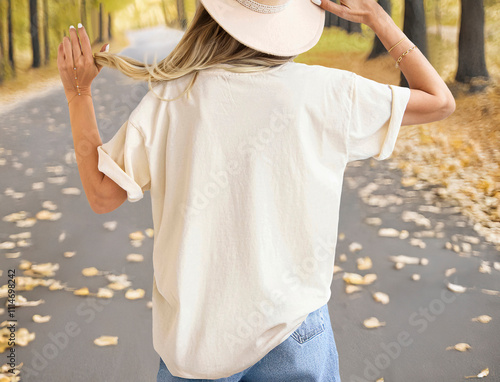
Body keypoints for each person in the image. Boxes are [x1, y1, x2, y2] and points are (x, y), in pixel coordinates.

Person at [57, 0, 455, 380]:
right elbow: (439, 101)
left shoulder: (170, 98)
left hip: (198, 344)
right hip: (296, 333)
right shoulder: (330, 93)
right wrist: (379, 20)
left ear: (210, 16)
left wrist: (79, 94)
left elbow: (101, 194)